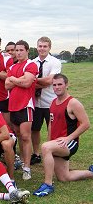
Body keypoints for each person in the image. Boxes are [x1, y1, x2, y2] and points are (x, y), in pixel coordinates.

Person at [33, 73, 93, 197]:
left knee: (45, 147)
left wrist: (68, 138)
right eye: (54, 85)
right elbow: (51, 123)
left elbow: (86, 124)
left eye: (60, 84)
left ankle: (48, 185)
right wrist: (50, 141)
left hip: (69, 143)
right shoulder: (53, 102)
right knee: (64, 177)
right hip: (57, 143)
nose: (57, 87)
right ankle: (91, 173)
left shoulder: (73, 103)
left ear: (66, 85)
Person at [5, 40, 38, 180]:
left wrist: (14, 79)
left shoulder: (31, 64)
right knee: (18, 135)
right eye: (16, 50)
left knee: (25, 136)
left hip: (26, 104)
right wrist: (17, 79)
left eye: (20, 50)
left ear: (27, 50)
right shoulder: (13, 66)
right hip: (13, 105)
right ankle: (23, 161)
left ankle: (27, 167)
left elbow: (27, 83)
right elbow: (7, 85)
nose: (18, 53)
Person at [30, 37, 61, 165]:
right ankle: (36, 154)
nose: (42, 48)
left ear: (49, 48)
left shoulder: (55, 62)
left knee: (52, 129)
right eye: (40, 46)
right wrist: (35, 82)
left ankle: (51, 152)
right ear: (37, 47)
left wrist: (33, 82)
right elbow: (39, 82)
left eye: (45, 46)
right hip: (35, 102)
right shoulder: (32, 62)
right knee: (35, 129)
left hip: (50, 102)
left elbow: (50, 81)